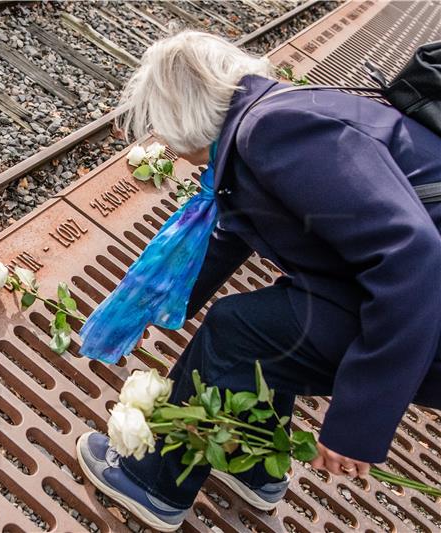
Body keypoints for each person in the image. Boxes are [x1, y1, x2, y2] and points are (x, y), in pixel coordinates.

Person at [75, 31, 441, 531]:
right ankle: (253, 466)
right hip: (408, 293)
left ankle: (150, 484)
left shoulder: (274, 131)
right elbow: (237, 227)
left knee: (237, 333)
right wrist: (148, 308)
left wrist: (359, 422)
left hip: (427, 305)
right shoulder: (268, 119)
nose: (164, 144)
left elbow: (413, 253)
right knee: (262, 329)